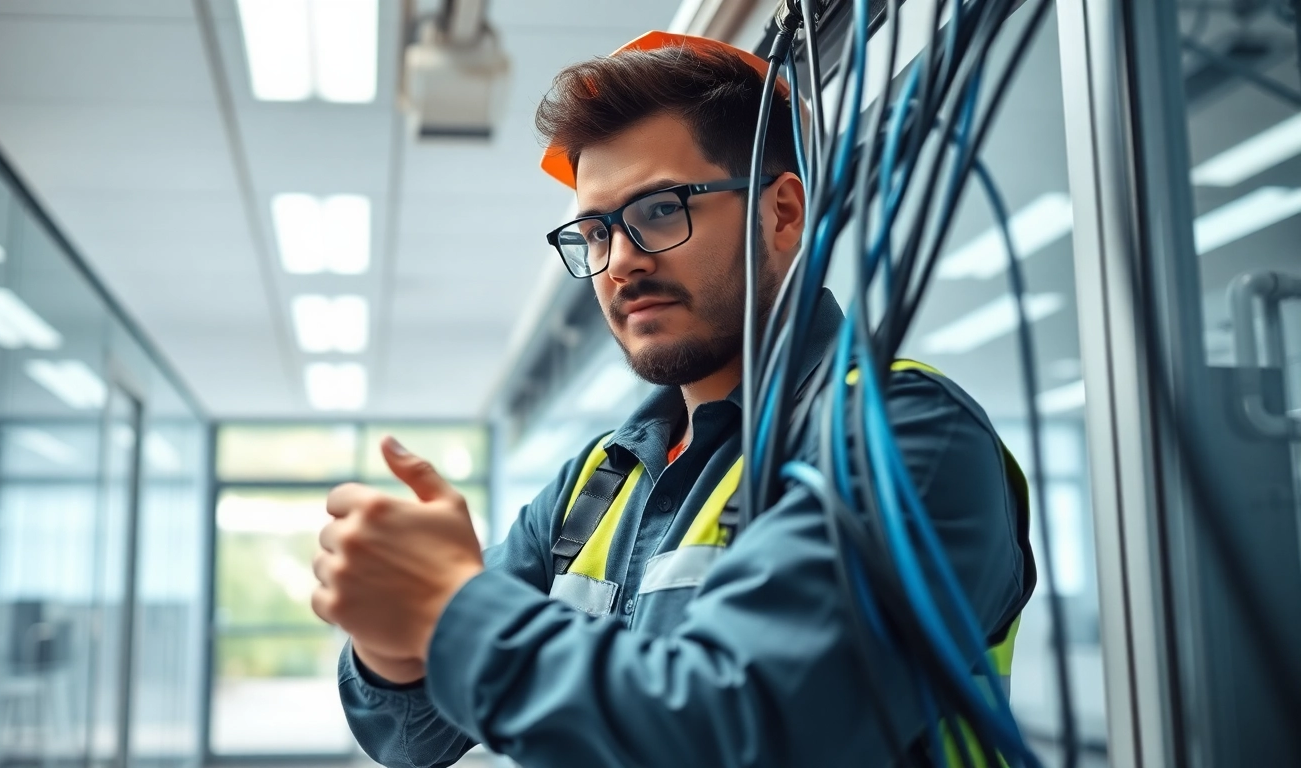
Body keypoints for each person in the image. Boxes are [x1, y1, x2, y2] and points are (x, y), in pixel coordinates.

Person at [312, 31, 1035, 768]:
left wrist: (443, 607)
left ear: (783, 214)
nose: (620, 260)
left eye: (660, 210)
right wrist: (390, 636)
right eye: (595, 232)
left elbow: (736, 731)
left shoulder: (904, 436)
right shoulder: (599, 481)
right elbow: (412, 737)